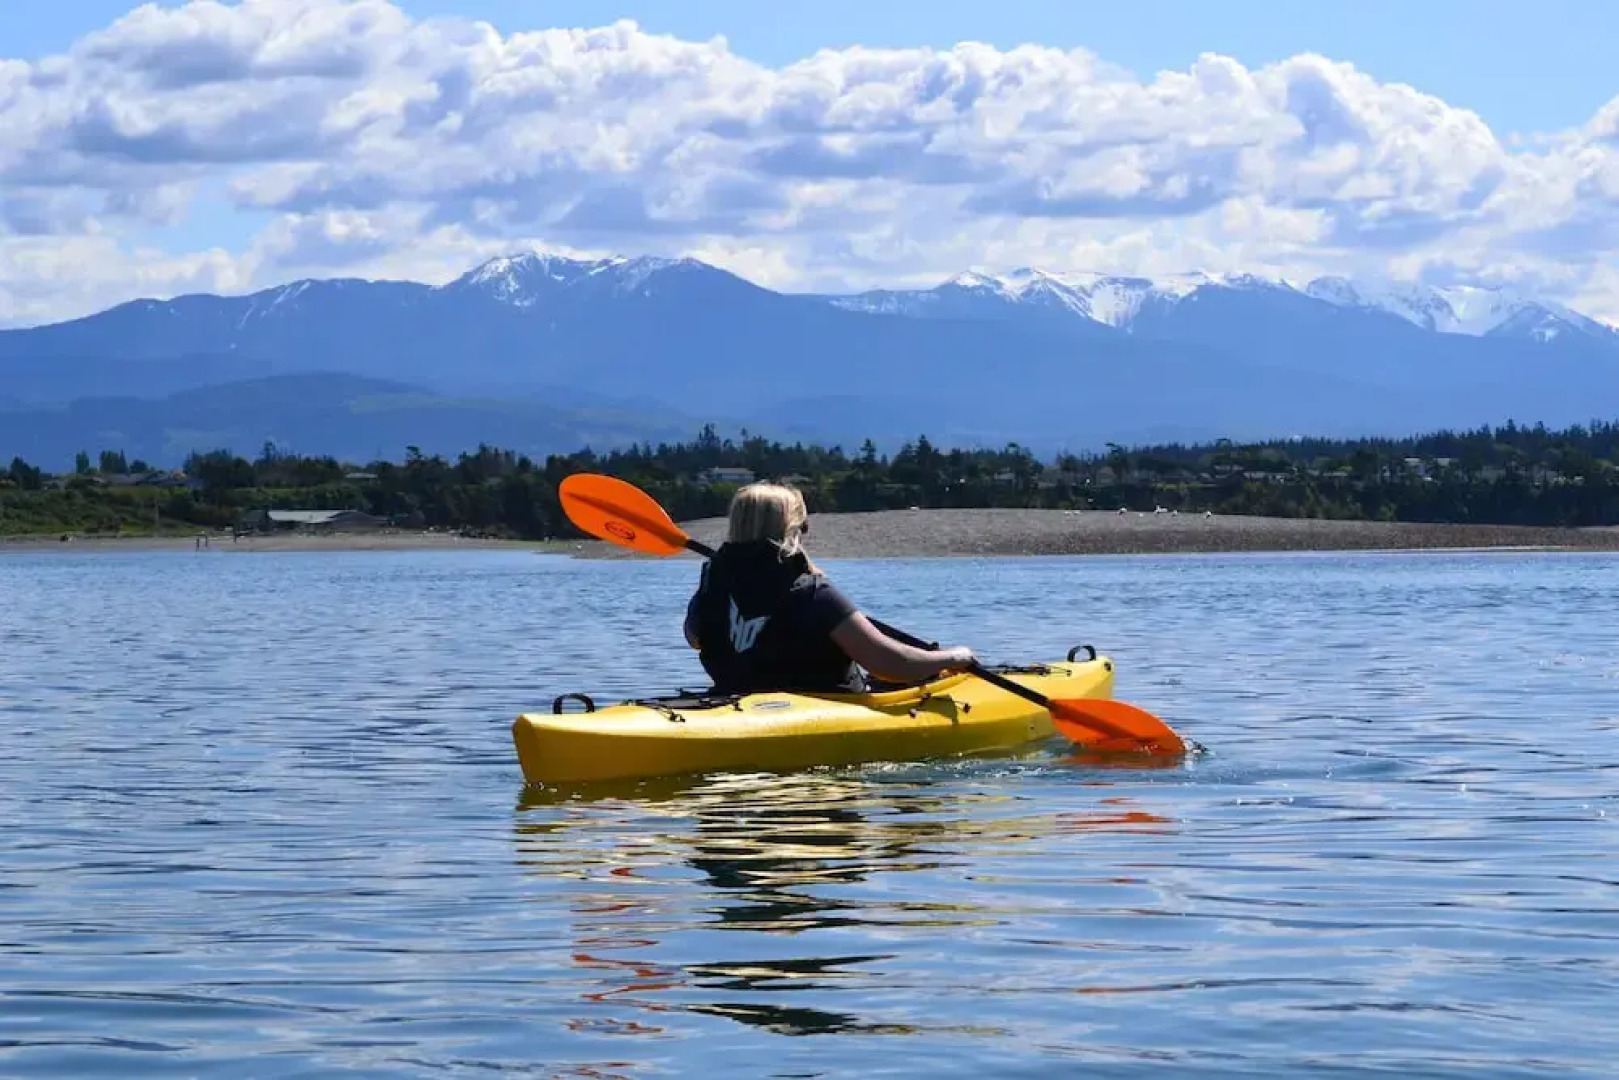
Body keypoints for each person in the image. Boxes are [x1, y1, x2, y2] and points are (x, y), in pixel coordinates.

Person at [683, 482, 976, 694]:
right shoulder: (812, 593)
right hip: (821, 709)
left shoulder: (713, 583)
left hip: (734, 702)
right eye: (802, 527)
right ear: (790, 529)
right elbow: (889, 664)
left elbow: (694, 637)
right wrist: (953, 657)